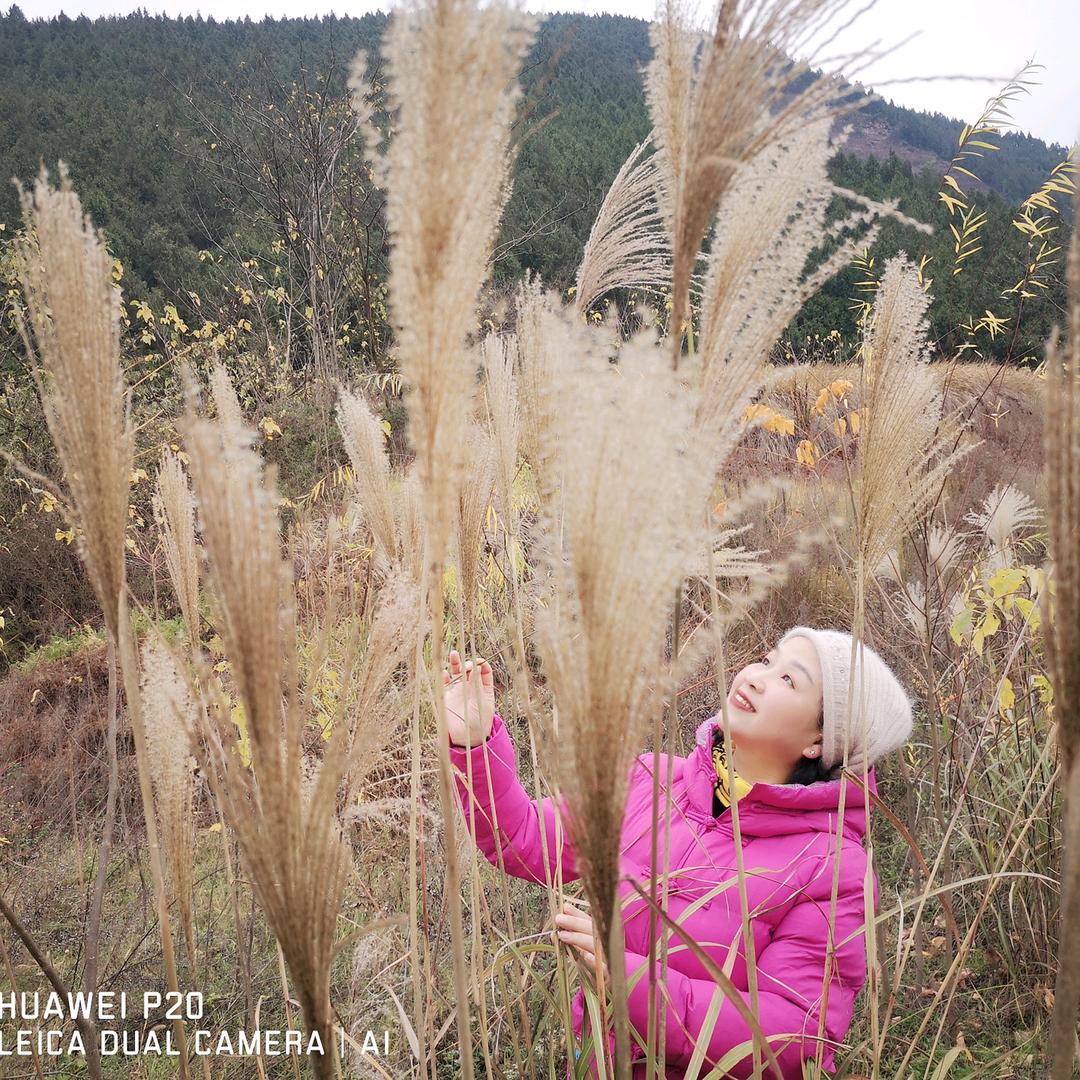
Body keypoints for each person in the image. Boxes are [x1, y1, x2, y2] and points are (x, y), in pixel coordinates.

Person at [444, 626, 914, 1078]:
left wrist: (628, 982)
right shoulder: (650, 779)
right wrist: (475, 742)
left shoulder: (834, 869)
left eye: (789, 680)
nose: (756, 676)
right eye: (767, 661)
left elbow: (793, 1038)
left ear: (820, 742)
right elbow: (523, 838)